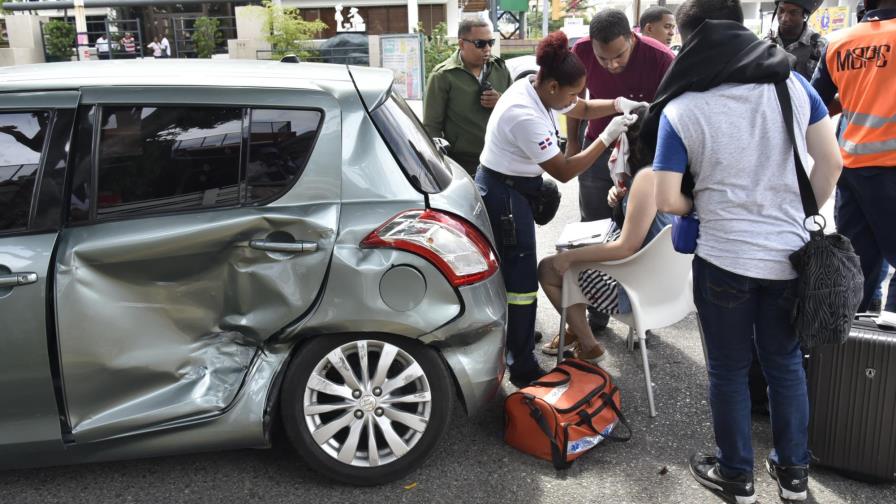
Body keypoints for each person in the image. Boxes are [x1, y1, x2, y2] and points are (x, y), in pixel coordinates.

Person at [647, 0, 842, 502]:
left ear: (690, 42)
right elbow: (832, 161)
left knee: (728, 370)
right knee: (784, 364)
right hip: (790, 257)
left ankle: (737, 475)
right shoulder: (793, 85)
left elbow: (668, 198)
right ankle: (794, 475)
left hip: (722, 260)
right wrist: (801, 210)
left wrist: (708, 203)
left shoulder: (683, 107)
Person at [476, 31, 643, 387]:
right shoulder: (523, 114)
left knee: (522, 274)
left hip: (517, 186)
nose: (574, 99)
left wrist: (616, 104)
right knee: (521, 282)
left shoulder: (539, 89)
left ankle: (519, 337)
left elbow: (580, 107)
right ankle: (520, 364)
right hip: (504, 194)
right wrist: (607, 136)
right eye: (569, 91)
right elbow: (565, 171)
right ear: (551, 86)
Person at [568, 9, 674, 333]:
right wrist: (573, 144)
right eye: (603, 59)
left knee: (640, 235)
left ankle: (642, 316)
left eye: (618, 56)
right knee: (594, 228)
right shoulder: (581, 51)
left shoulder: (662, 58)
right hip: (600, 145)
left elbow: (672, 115)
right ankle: (596, 316)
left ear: (633, 37)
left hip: (645, 152)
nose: (612, 64)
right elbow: (576, 102)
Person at [538, 109, 673, 361]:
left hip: (637, 292)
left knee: (550, 268)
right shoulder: (672, 170)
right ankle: (575, 331)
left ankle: (588, 345)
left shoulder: (647, 178)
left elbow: (625, 248)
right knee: (570, 255)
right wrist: (621, 199)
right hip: (670, 286)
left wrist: (569, 259)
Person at [811, 0, 896, 313]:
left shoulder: (839, 40)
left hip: (850, 165)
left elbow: (812, 101)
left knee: (857, 262)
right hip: (891, 166)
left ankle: (849, 342)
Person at [423, 19, 513, 175]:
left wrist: (501, 100)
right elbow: (432, 128)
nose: (487, 49)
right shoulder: (443, 76)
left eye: (490, 42)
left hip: (502, 160)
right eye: (480, 43)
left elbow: (518, 108)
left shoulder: (500, 68)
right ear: (462, 44)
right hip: (464, 165)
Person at [763, 0, 825, 80]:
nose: (785, 18)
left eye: (793, 13)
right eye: (781, 10)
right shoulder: (765, 42)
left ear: (805, 15)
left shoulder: (818, 45)